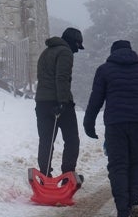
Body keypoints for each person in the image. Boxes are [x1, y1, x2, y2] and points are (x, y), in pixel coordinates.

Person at [83, 40, 138, 217]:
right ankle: (135, 202)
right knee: (137, 164)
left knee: (118, 167)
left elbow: (95, 99)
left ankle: (123, 210)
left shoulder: (104, 70)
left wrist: (88, 122)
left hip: (115, 125)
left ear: (112, 52)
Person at [34, 27, 83, 177]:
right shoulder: (65, 52)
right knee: (72, 140)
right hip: (59, 103)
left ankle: (44, 175)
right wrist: (62, 102)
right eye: (77, 45)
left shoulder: (46, 52)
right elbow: (62, 78)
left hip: (42, 103)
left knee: (46, 141)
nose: (77, 50)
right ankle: (68, 175)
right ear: (72, 42)